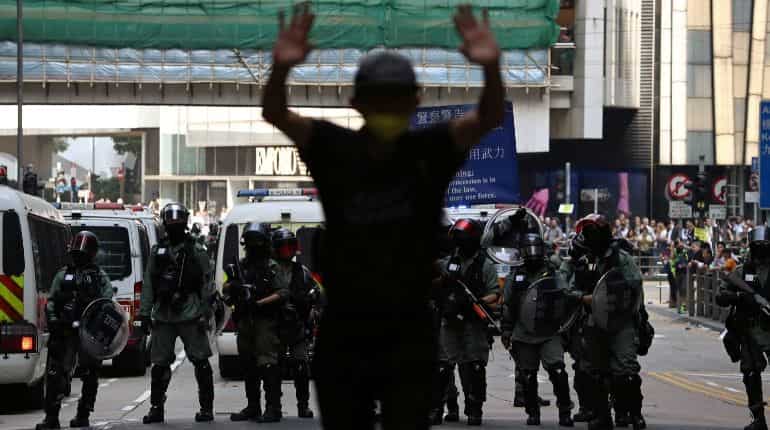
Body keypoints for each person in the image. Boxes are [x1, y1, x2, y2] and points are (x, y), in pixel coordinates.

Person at [261, 3, 504, 429]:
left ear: (414, 101)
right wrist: (280, 68)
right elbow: (276, 113)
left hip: (407, 328)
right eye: (380, 99)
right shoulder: (334, 148)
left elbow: (488, 116)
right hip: (347, 328)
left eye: (394, 99)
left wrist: (491, 67)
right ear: (356, 102)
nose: (388, 108)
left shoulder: (429, 149)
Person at [560, 215, 646, 430]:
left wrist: (616, 293)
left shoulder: (621, 258)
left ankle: (633, 413)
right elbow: (569, 289)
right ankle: (601, 416)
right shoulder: (583, 262)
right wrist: (583, 297)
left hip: (621, 320)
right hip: (594, 320)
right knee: (594, 371)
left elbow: (635, 284)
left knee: (625, 370)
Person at [137, 203, 214, 424]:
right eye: (170, 223)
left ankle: (207, 408)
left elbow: (207, 283)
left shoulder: (196, 250)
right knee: (159, 365)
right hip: (163, 315)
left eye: (177, 223)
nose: (174, 227)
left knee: (201, 362)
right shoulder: (157, 251)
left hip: (190, 314)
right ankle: (156, 408)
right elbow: (149, 283)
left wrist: (205, 312)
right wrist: (144, 314)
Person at [501, 216, 578, 427]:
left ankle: (565, 411)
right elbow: (508, 305)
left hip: (549, 331)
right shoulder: (516, 275)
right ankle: (532, 412)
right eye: (529, 249)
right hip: (523, 332)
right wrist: (506, 331)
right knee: (527, 375)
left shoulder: (552, 271)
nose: (532, 253)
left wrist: (565, 327)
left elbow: (566, 296)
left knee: (558, 371)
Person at [36, 232, 114, 430]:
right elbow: (52, 301)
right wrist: (53, 321)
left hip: (88, 333)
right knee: (56, 374)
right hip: (64, 331)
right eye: (77, 252)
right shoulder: (63, 275)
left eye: (84, 252)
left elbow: (107, 303)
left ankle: (83, 414)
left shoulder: (99, 277)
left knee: (90, 374)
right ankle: (51, 417)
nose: (79, 256)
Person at [430, 218, 500, 426]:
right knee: (443, 366)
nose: (460, 244)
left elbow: (495, 293)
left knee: (475, 366)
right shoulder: (449, 261)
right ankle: (437, 408)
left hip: (473, 321)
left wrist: (476, 301)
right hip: (450, 321)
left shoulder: (485, 265)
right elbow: (432, 281)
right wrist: (444, 280)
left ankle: (474, 408)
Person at [225, 223, 290, 423]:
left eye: (257, 241)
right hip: (245, 320)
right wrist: (233, 287)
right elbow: (227, 289)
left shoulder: (272, 267)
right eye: (250, 241)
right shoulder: (241, 266)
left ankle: (273, 408)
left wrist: (259, 303)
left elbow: (283, 292)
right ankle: (253, 406)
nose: (253, 245)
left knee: (267, 363)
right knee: (248, 364)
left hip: (265, 321)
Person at [717, 226, 770, 430]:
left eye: (765, 247)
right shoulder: (742, 271)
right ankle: (758, 418)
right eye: (758, 247)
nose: (761, 251)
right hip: (750, 330)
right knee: (750, 374)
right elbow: (721, 296)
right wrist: (740, 297)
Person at [272, 227, 318, 419]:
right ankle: (273, 406)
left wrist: (311, 304)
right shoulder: (269, 269)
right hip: (274, 326)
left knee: (301, 365)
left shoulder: (302, 271)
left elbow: (315, 292)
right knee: (272, 367)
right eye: (284, 246)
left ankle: (303, 405)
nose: (288, 250)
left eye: (290, 246)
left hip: (297, 325)